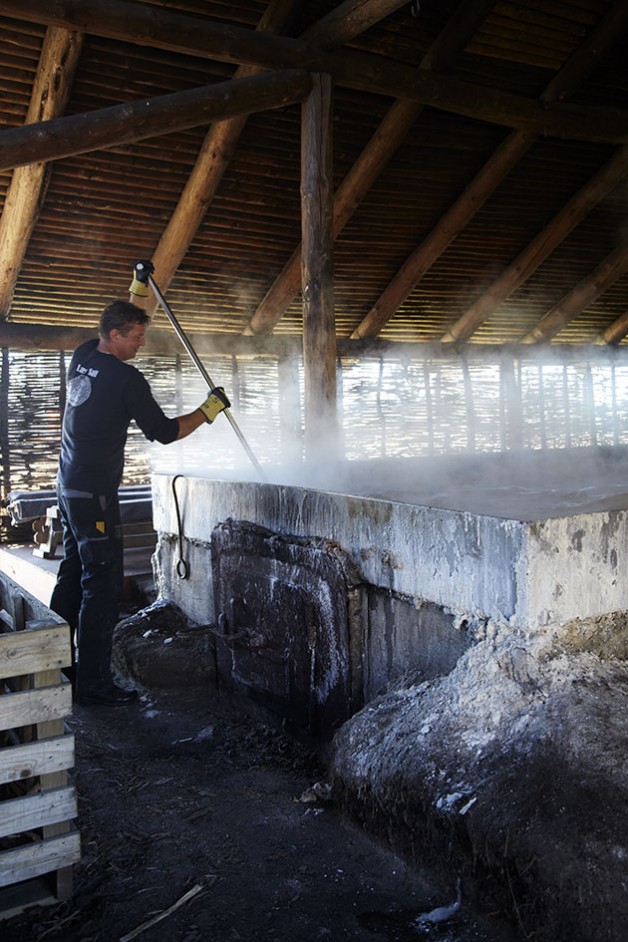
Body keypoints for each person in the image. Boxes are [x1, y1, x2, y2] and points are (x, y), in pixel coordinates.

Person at [50, 263, 229, 706]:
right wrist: (210, 409)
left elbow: (118, 315)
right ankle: (92, 685)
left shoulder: (84, 355)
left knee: (73, 574)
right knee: (103, 583)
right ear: (114, 337)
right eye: (135, 336)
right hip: (92, 494)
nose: (141, 343)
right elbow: (165, 432)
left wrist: (137, 286)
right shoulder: (127, 379)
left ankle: (55, 668)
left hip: (68, 484)